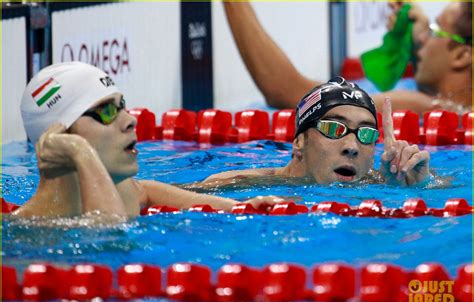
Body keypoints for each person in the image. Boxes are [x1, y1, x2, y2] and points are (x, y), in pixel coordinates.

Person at [14, 62, 282, 220]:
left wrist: (241, 208)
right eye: (107, 111)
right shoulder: (30, 229)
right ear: (59, 137)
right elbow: (105, 241)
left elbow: (147, 190)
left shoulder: (126, 192)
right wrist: (81, 153)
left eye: (123, 106)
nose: (129, 119)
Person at [223, 2, 472, 114]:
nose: (422, 40)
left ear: (462, 55)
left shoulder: (424, 107)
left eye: (434, 30)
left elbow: (289, 94)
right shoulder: (457, 112)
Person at [203, 77, 430, 186]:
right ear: (299, 141)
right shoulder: (240, 185)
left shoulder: (380, 182)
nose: (352, 147)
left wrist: (416, 185)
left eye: (366, 134)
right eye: (333, 128)